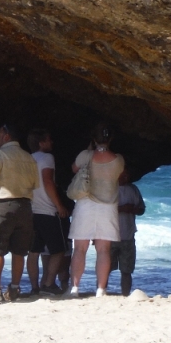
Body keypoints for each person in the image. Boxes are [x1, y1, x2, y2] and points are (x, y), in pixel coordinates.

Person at [0, 123, 39, 303]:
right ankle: (14, 289)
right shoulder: (29, 157)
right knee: (19, 250)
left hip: (4, 205)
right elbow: (35, 184)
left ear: (6, 136)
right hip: (25, 207)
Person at [68, 123, 125, 296]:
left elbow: (74, 169)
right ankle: (101, 289)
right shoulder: (119, 160)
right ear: (111, 139)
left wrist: (89, 150)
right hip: (108, 207)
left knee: (79, 249)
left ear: (93, 139)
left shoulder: (86, 156)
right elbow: (119, 176)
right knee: (103, 250)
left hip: (85, 204)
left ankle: (75, 288)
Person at [26, 129, 71, 295]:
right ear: (41, 143)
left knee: (33, 251)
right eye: (48, 140)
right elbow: (47, 181)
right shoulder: (47, 158)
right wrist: (59, 205)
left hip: (31, 211)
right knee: (59, 249)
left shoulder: (27, 159)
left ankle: (34, 287)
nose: (51, 143)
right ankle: (49, 283)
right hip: (47, 211)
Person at [111, 168, 146, 296]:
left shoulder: (133, 189)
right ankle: (101, 291)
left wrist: (133, 209)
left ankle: (125, 294)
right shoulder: (109, 189)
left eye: (127, 174)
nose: (125, 177)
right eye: (122, 174)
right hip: (110, 235)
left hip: (128, 235)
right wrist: (121, 208)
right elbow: (102, 210)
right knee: (105, 268)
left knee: (127, 270)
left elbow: (142, 209)